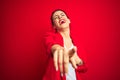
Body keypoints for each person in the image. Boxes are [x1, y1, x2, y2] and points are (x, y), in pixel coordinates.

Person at [43, 9, 87, 80]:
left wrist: (79, 61)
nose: (60, 17)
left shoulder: (77, 41)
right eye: (56, 17)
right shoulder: (49, 36)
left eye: (62, 15)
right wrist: (58, 49)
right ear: (54, 26)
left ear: (69, 20)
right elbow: (50, 45)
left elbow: (84, 68)